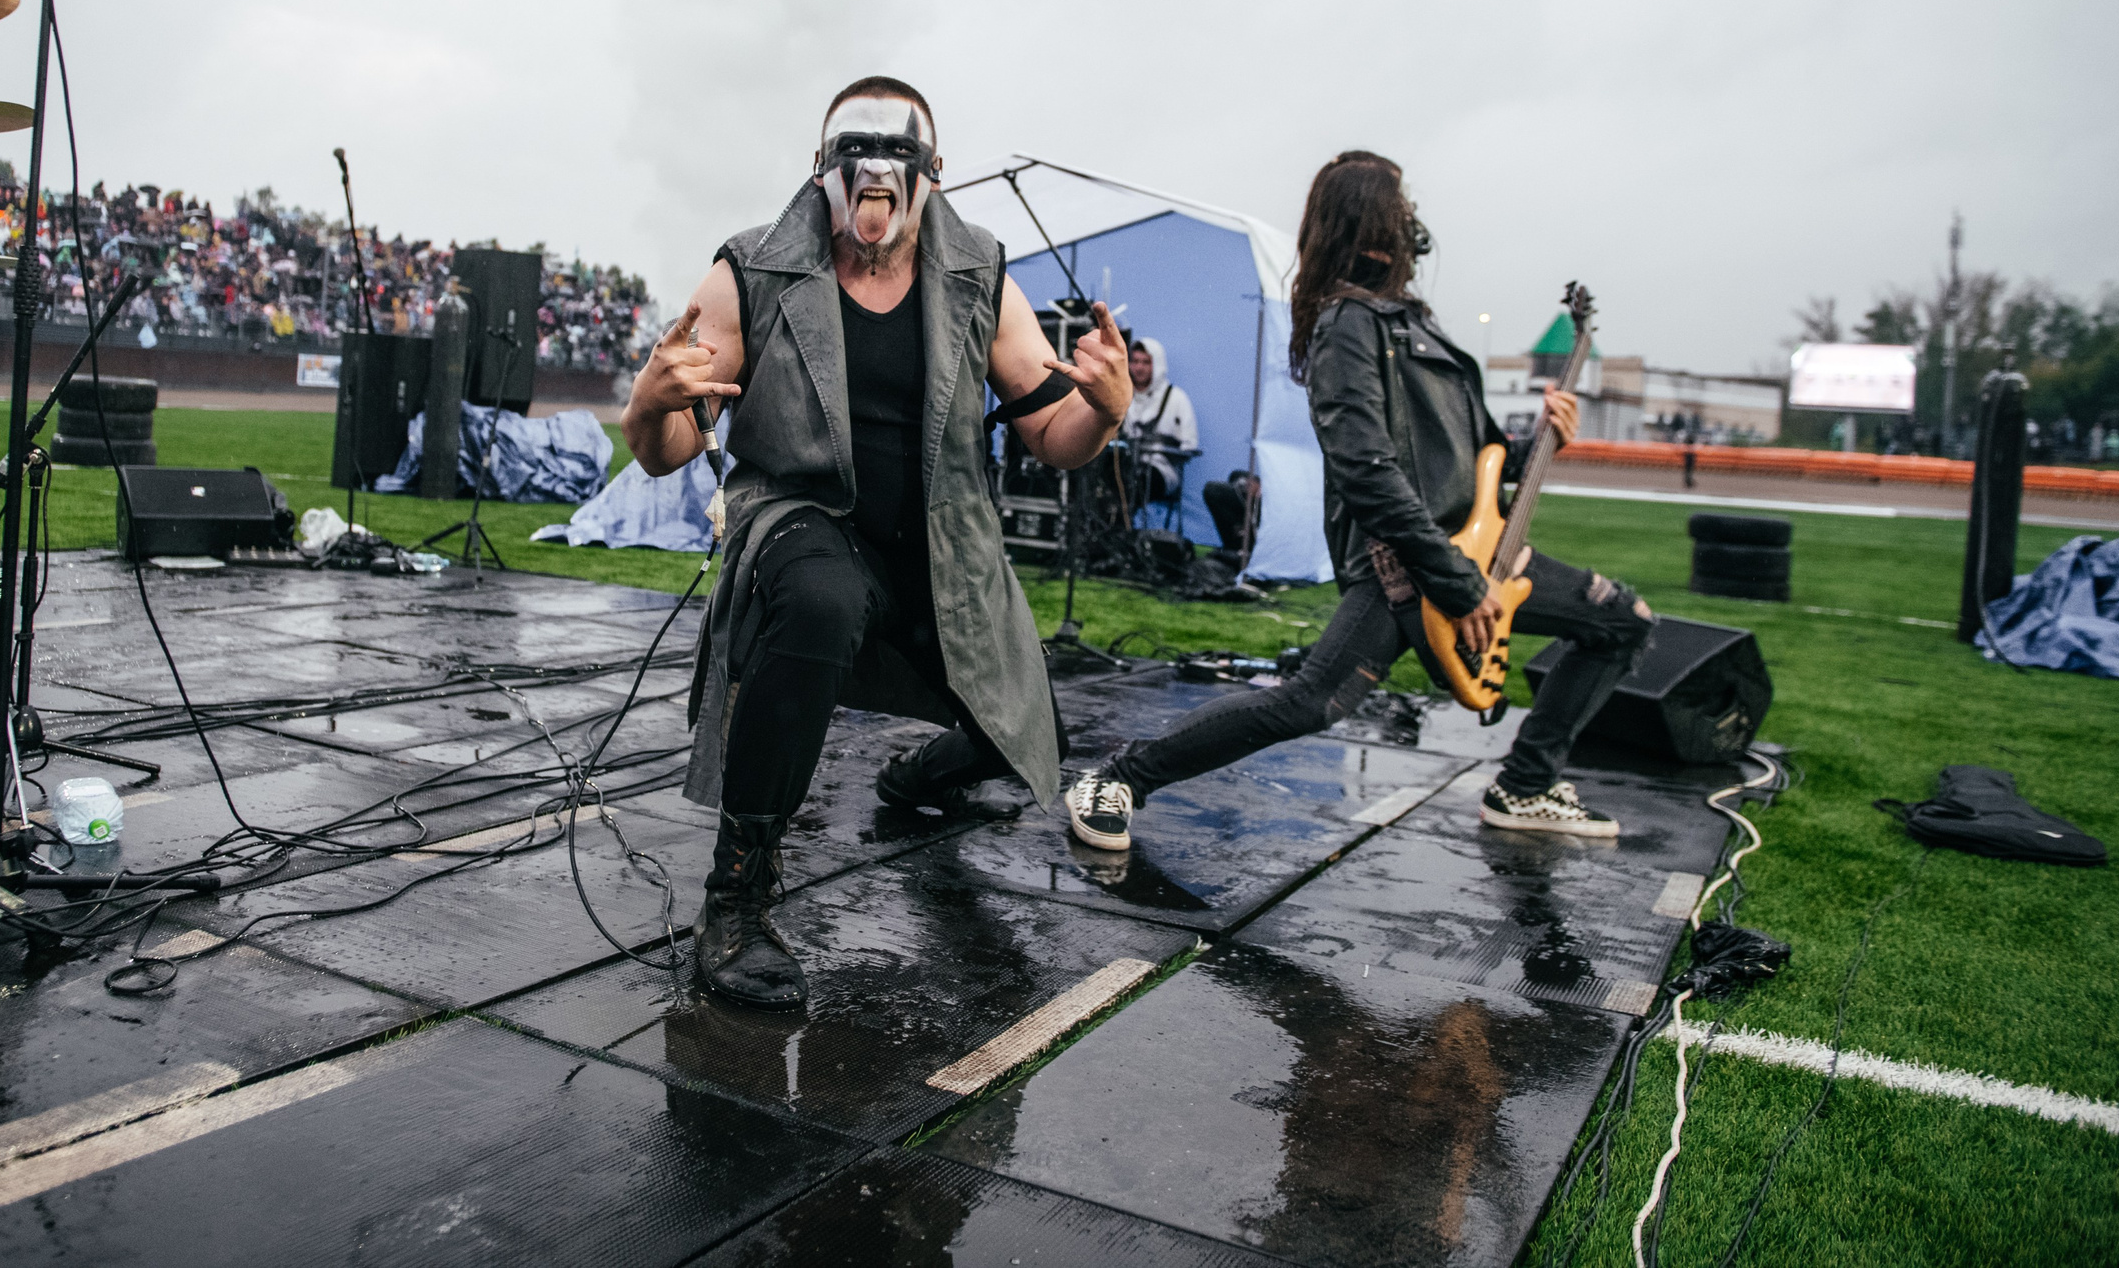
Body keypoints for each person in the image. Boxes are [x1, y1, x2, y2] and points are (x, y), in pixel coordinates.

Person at [624, 76, 1132, 1011]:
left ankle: (919, 771)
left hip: (939, 548)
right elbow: (666, 451)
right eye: (855, 160)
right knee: (819, 599)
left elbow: (1052, 433)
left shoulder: (979, 272)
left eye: (899, 162)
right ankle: (735, 899)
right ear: (823, 174)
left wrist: (1103, 413)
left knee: (1024, 734)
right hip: (803, 526)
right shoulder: (754, 270)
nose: (876, 181)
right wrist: (646, 409)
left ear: (931, 181)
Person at [1063, 150, 1653, 852]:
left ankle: (1526, 782)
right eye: (1400, 205)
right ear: (1371, 219)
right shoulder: (1349, 325)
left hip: (1479, 554)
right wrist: (1459, 584)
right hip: (1406, 565)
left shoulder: (1414, 324)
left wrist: (1540, 442)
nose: (1413, 220)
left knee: (1623, 621)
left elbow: (1479, 469)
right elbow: (1367, 469)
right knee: (1309, 701)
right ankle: (1119, 777)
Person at [1121, 336, 1197, 515]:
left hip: (1161, 472)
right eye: (1135, 361)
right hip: (1127, 465)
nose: (1139, 368)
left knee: (1138, 480)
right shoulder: (1122, 396)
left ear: (1158, 364)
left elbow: (1189, 445)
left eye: (1146, 362)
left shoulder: (1176, 399)